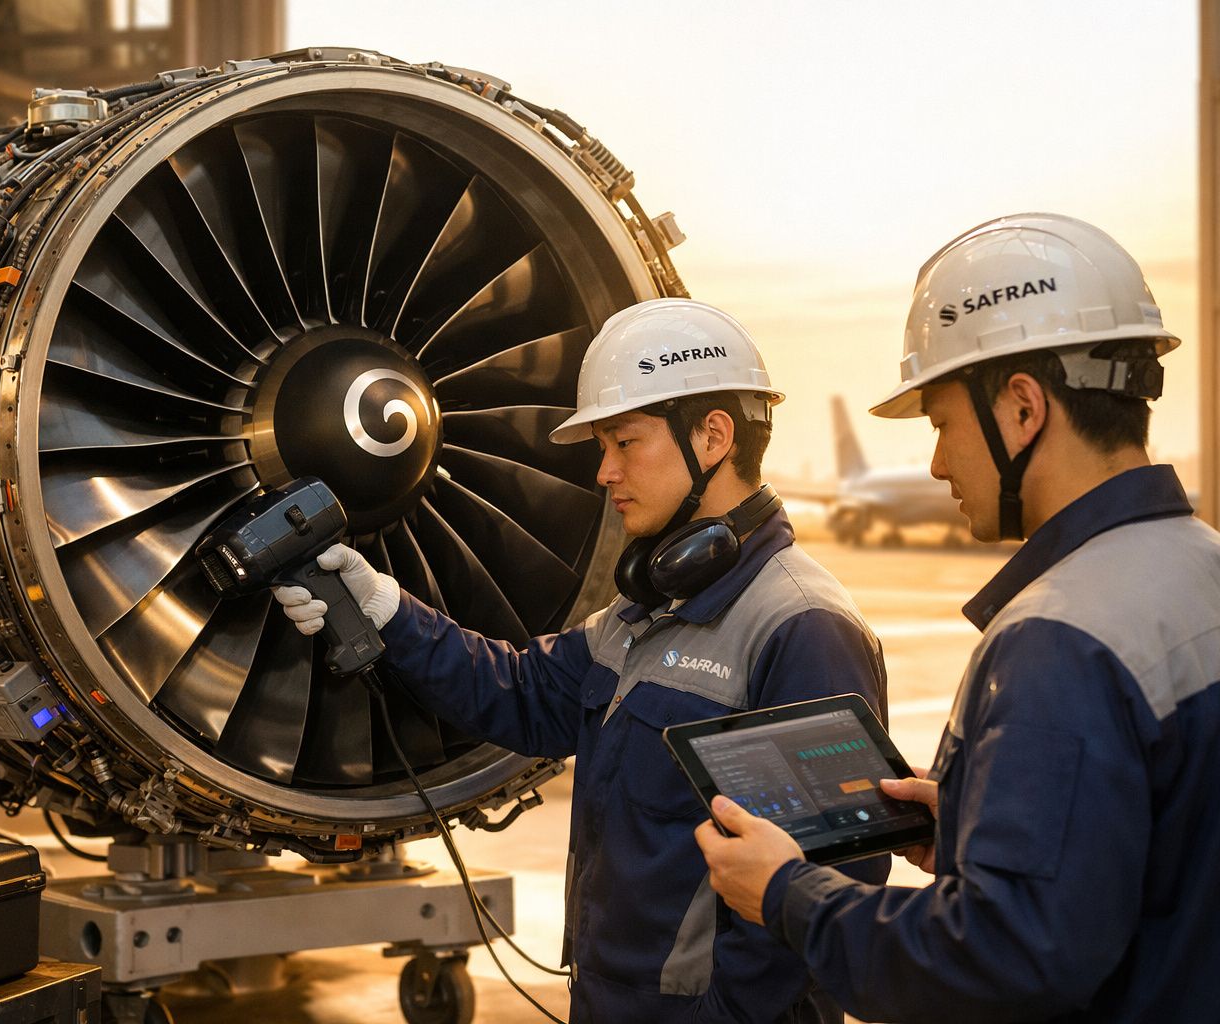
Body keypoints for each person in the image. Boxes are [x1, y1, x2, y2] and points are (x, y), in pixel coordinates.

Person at [695, 213, 1220, 1023]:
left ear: (1022, 409)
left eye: (942, 423)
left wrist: (788, 893)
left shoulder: (1062, 640)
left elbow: (1005, 962)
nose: (935, 461)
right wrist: (966, 831)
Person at [274, 298, 889, 1022]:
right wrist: (385, 608)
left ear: (713, 436)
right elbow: (521, 693)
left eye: (624, 443)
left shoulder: (801, 627)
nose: (604, 472)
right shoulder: (641, 614)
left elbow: (828, 893)